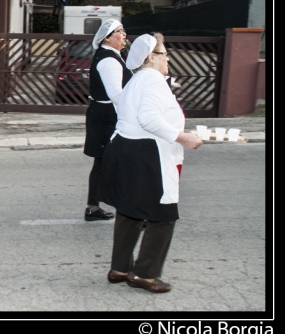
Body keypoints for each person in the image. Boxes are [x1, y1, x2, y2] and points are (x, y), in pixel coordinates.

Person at [100, 33, 203, 293]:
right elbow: (148, 118)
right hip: (146, 154)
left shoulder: (136, 80)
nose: (168, 59)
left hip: (124, 149)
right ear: (151, 57)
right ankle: (145, 275)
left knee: (129, 211)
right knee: (163, 215)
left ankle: (120, 268)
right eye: (165, 54)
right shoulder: (154, 81)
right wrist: (183, 138)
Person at [82, 19, 131, 221]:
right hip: (107, 116)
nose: (124, 34)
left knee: (103, 163)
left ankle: (93, 208)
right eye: (119, 31)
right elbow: (116, 95)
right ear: (107, 38)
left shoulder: (112, 56)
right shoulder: (109, 60)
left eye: (123, 30)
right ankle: (133, 212)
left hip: (102, 114)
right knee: (120, 163)